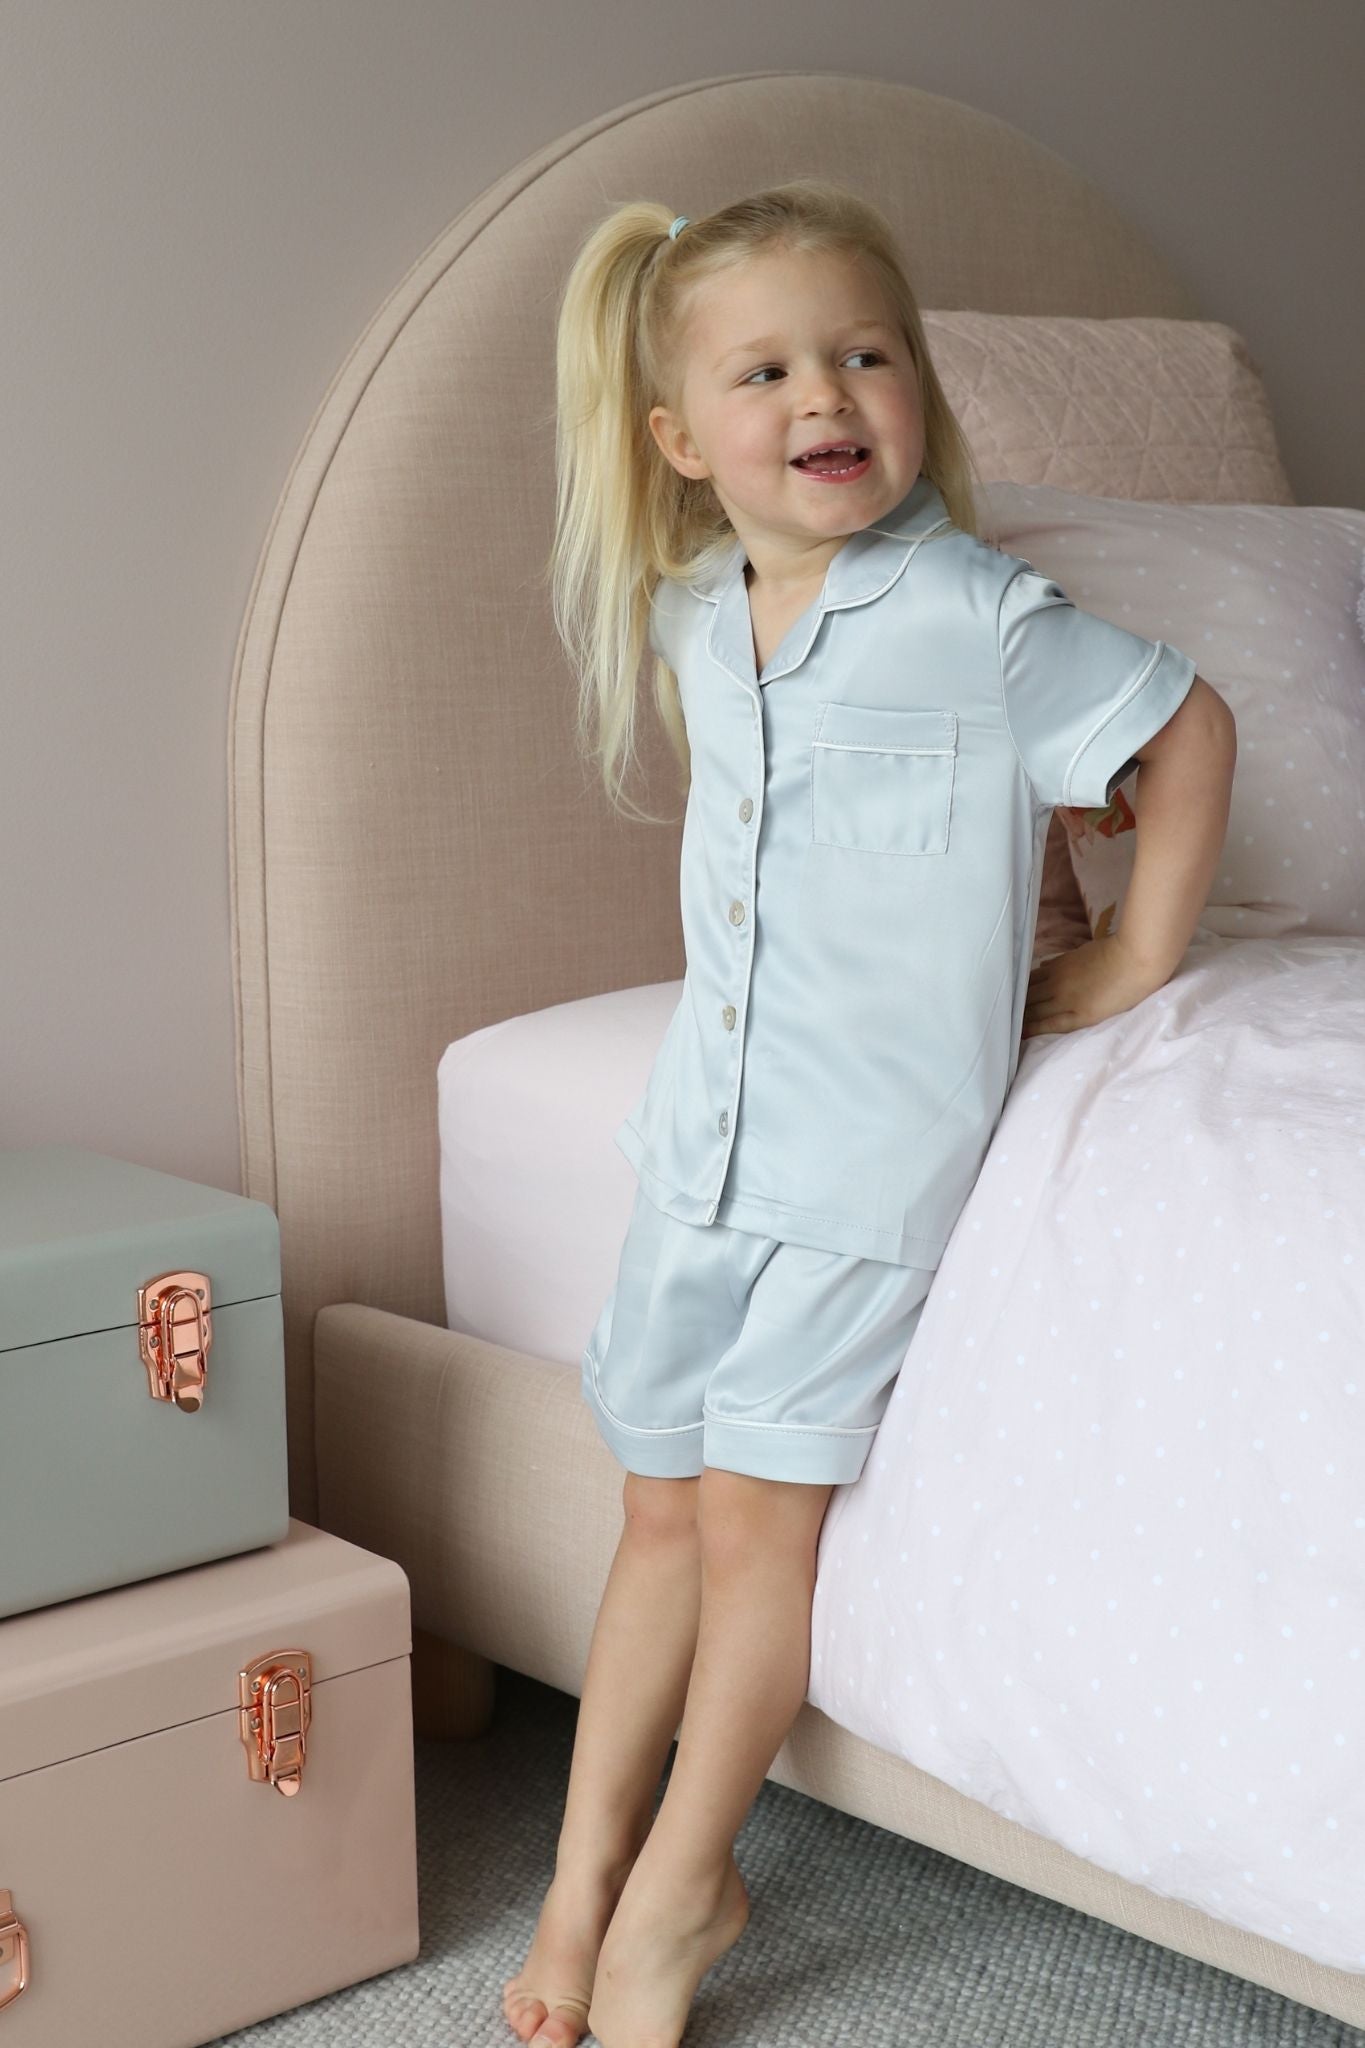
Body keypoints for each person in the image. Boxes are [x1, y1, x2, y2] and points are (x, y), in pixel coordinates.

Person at [504, 180, 1237, 2048]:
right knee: (655, 1514)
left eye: (863, 355)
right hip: (698, 1148)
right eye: (762, 372)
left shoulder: (977, 616)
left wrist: (1135, 949)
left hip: (860, 1160)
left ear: (914, 389)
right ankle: (579, 1882)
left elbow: (1182, 732)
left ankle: (683, 1891)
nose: (824, 394)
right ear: (681, 441)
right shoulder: (693, 616)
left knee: (756, 1525)